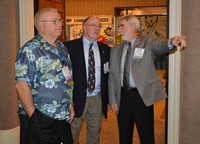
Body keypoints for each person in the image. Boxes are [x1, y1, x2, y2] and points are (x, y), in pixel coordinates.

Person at [108, 15, 186, 144]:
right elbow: (112, 77)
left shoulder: (147, 42)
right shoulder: (116, 50)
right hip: (122, 98)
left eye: (121, 26)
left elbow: (159, 46)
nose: (119, 30)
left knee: (146, 136)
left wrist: (171, 42)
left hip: (142, 96)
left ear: (133, 26)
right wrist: (113, 99)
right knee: (124, 135)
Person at [15, 8, 74, 144]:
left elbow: (67, 78)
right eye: (55, 21)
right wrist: (34, 117)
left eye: (59, 20)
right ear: (41, 24)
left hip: (62, 116)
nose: (60, 24)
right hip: (41, 118)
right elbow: (21, 85)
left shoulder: (61, 47)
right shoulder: (30, 49)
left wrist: (70, 105)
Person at [63, 16, 110, 144]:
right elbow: (65, 74)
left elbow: (108, 76)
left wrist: (109, 99)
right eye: (93, 25)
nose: (97, 28)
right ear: (84, 27)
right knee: (72, 133)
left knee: (95, 134)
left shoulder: (105, 49)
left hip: (97, 99)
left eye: (99, 26)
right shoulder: (69, 47)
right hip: (76, 98)